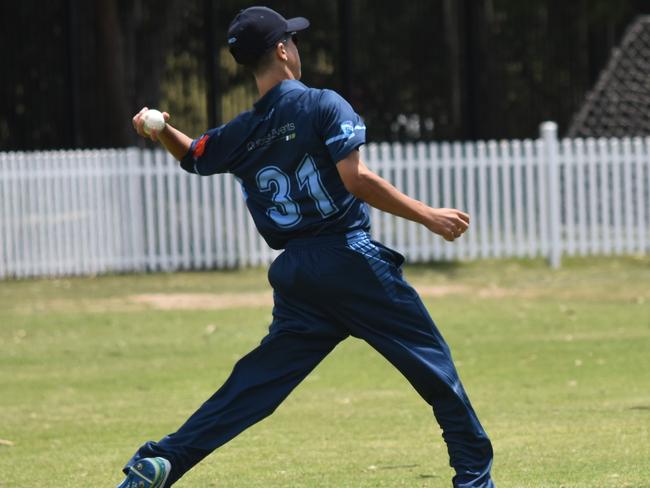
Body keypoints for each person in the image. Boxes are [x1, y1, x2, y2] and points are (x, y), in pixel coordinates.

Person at [118, 6, 494, 488]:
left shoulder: (243, 130)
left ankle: (166, 460)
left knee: (254, 388)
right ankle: (474, 480)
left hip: (297, 273)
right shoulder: (321, 103)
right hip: (349, 261)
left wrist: (160, 129)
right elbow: (354, 179)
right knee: (436, 371)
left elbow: (194, 157)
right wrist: (429, 216)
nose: (296, 47)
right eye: (291, 40)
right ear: (281, 50)